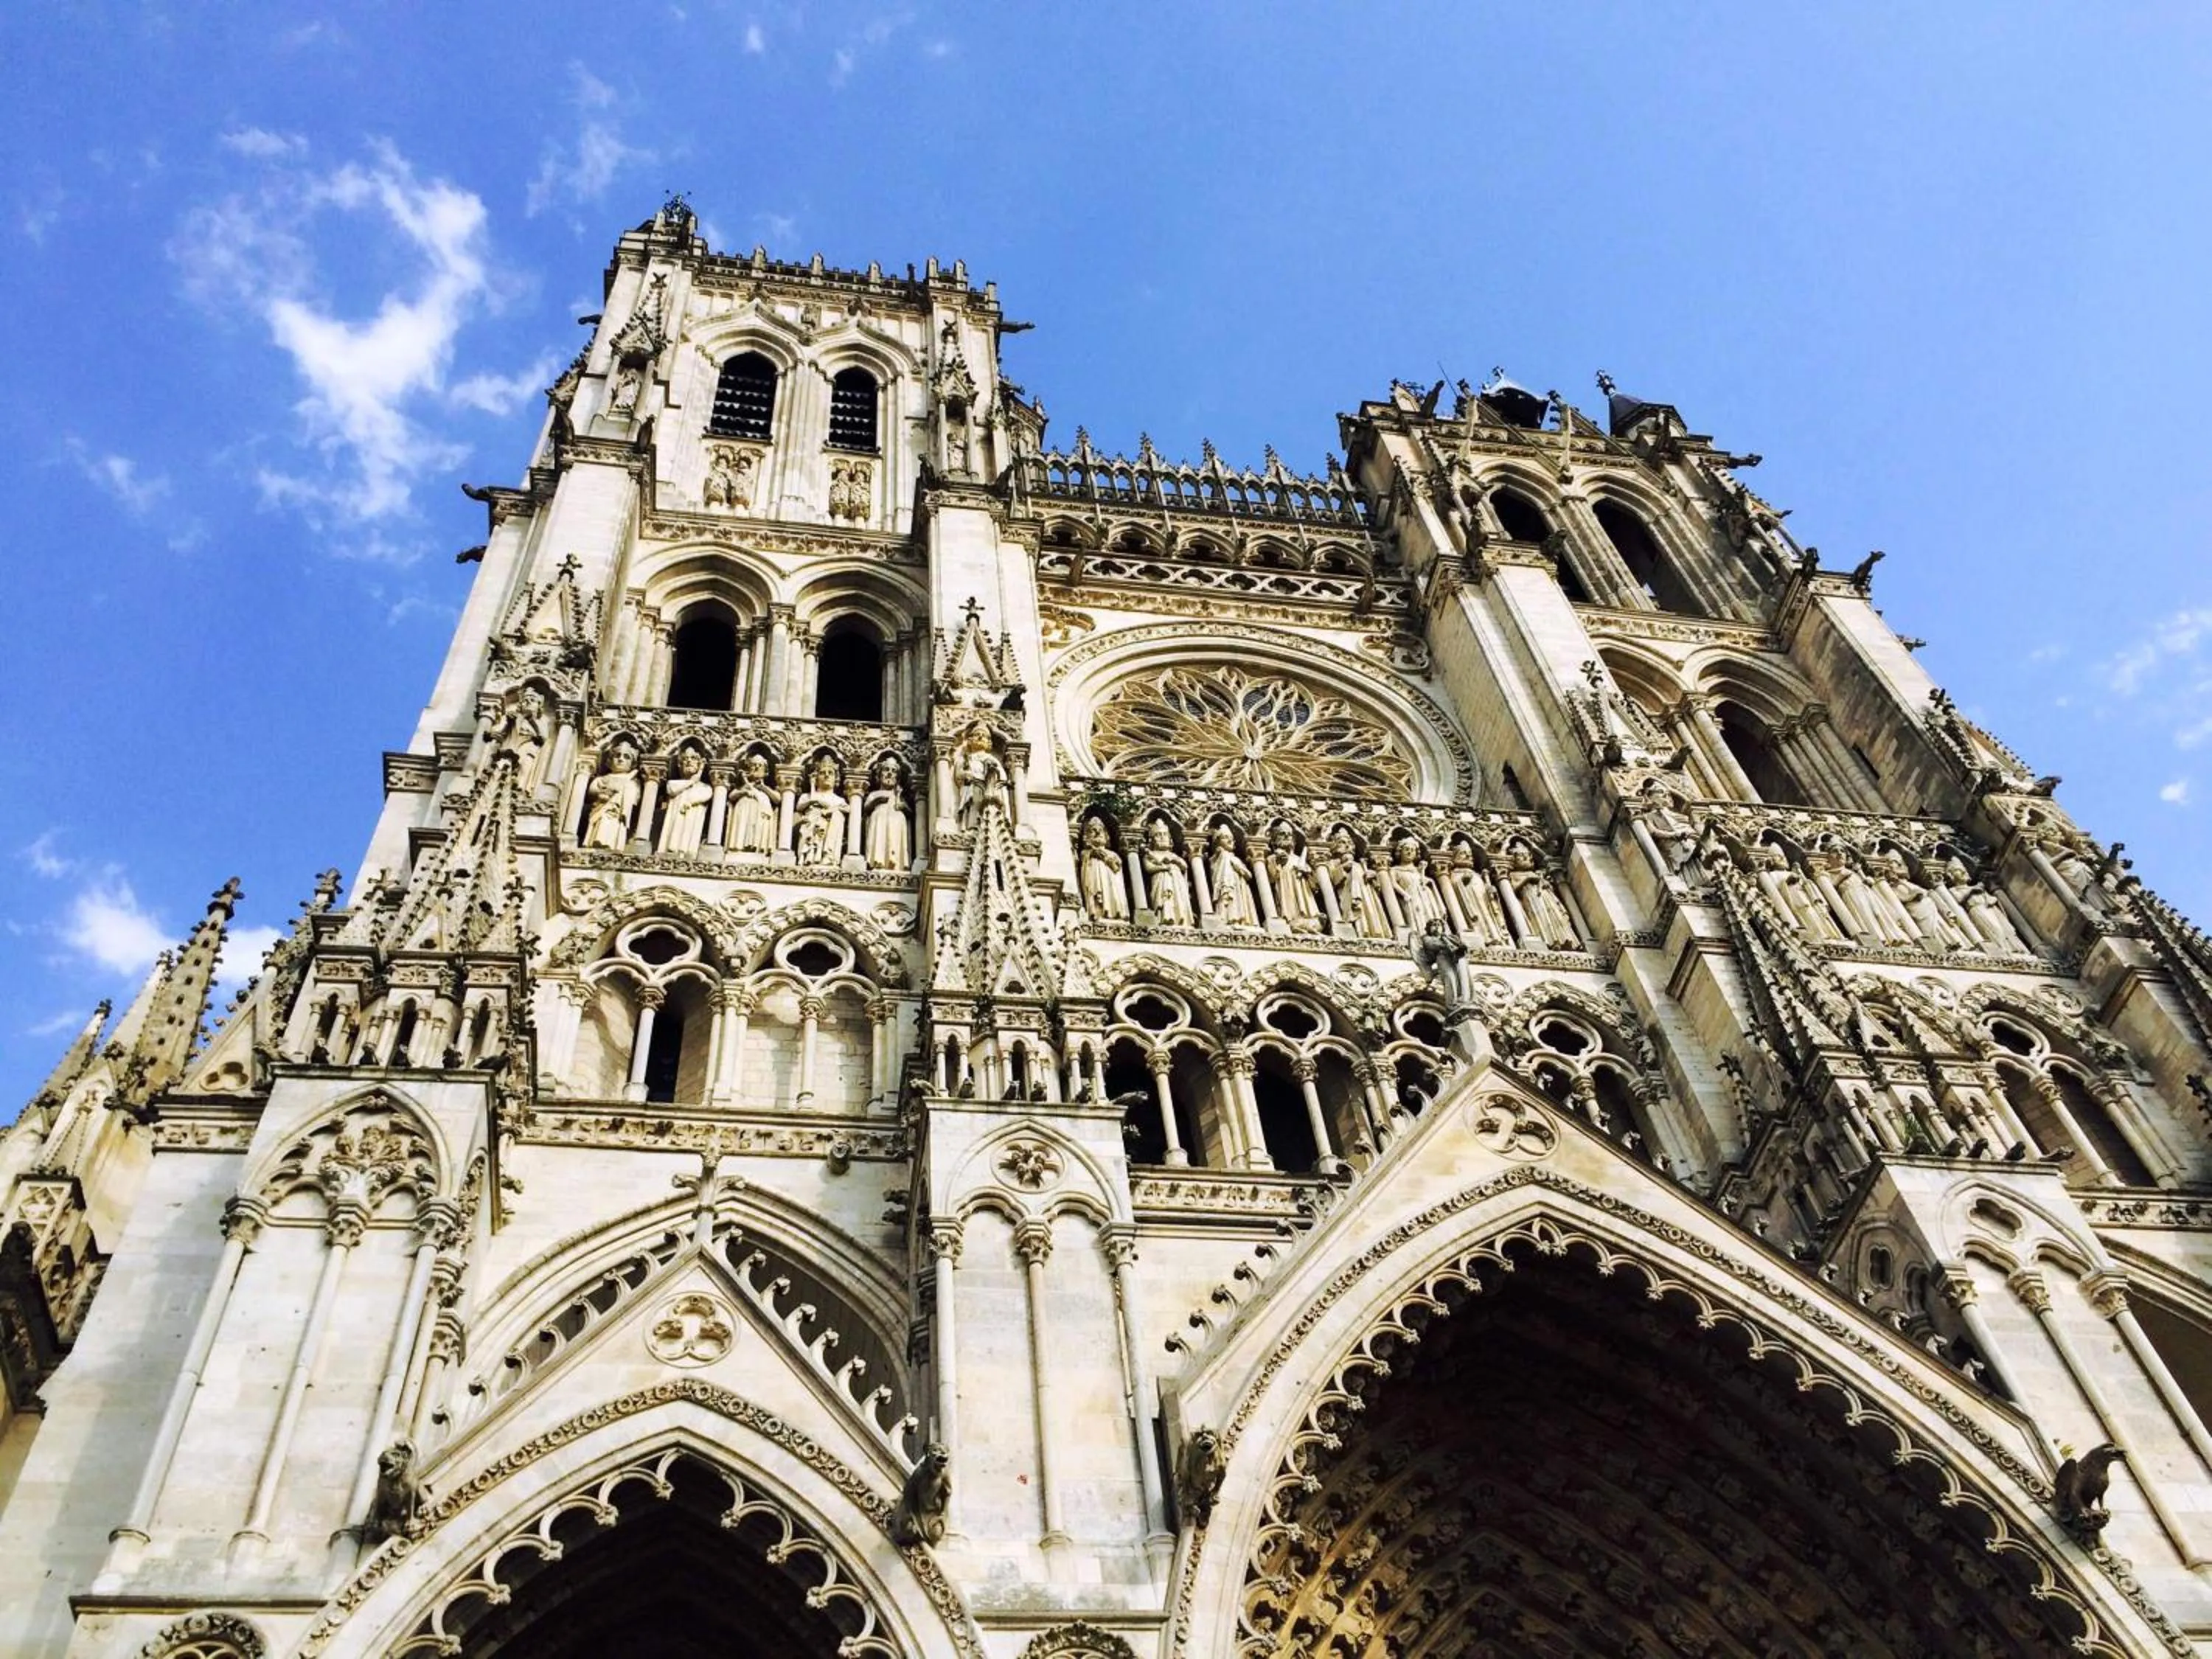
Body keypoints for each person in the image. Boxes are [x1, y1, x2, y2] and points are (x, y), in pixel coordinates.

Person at [582, 740, 642, 849]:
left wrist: (626, 788)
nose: (621, 759)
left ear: (632, 764)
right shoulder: (602, 779)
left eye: (626, 757)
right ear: (610, 760)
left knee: (613, 828)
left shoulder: (632, 782)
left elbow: (634, 800)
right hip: (601, 810)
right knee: (601, 825)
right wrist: (602, 793)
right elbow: (592, 791)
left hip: (616, 814)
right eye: (617, 756)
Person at [1266, 822, 1322, 934]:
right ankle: (1291, 922)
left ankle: (1308, 921)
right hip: (1286, 891)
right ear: (1275, 840)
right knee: (1289, 910)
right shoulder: (1272, 858)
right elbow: (1271, 878)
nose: (1287, 836)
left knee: (1310, 912)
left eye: (1289, 834)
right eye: (1282, 834)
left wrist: (1307, 873)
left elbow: (1315, 886)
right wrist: (1278, 863)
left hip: (1304, 894)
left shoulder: (1298, 859)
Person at [656, 746, 712, 855]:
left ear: (700, 764)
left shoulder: (705, 788)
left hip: (691, 827)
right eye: (685, 759)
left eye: (693, 758)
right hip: (674, 823)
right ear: (680, 765)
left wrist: (699, 774)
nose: (689, 761)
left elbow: (704, 795)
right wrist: (692, 781)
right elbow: (671, 789)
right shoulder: (674, 784)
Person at [955, 723, 1009, 829]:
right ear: (970, 741)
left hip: (990, 789)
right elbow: (959, 774)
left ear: (989, 743)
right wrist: (966, 774)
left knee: (989, 808)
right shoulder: (966, 759)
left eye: (984, 736)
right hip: (973, 786)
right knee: (974, 805)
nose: (980, 737)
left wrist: (993, 774)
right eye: (977, 735)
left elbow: (1002, 776)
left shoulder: (992, 759)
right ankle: (972, 827)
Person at [795, 755, 846, 865]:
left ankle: (828, 855)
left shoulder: (838, 799)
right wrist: (812, 796)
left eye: (830, 773)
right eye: (822, 773)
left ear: (836, 779)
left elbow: (848, 809)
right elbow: (799, 807)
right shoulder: (807, 796)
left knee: (837, 816)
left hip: (828, 829)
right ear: (816, 777)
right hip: (810, 825)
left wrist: (831, 809)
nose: (827, 776)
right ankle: (808, 855)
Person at [726, 751, 779, 857]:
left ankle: (758, 849)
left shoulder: (766, 790)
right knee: (743, 829)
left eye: (760, 765)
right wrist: (744, 791)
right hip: (744, 811)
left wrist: (763, 787)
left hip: (761, 814)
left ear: (765, 770)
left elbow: (777, 799)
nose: (757, 767)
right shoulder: (744, 786)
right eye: (754, 765)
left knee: (758, 830)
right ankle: (739, 848)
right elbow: (732, 796)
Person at [861, 758, 911, 870]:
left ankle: (895, 860)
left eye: (894, 771)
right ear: (880, 775)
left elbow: (909, 812)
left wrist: (900, 801)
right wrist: (876, 801)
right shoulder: (874, 794)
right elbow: (866, 809)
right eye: (886, 770)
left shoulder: (899, 796)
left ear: (897, 778)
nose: (890, 773)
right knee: (880, 817)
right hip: (879, 820)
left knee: (898, 818)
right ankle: (878, 859)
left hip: (896, 822)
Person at [1206, 824, 1260, 928]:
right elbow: (1215, 871)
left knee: (1239, 902)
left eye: (1231, 838)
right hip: (1227, 886)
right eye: (1225, 838)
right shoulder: (1217, 858)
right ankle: (1227, 920)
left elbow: (1249, 876)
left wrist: (1239, 868)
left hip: (1239, 886)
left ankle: (1242, 921)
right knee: (1228, 898)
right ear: (1218, 842)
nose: (1230, 841)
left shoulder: (1235, 859)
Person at [1142, 819, 1194, 924]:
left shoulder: (1173, 855)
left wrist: (1174, 860)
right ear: (1152, 840)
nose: (1162, 837)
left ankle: (1180, 919)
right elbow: (1149, 868)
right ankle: (1164, 919)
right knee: (1164, 899)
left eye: (1165, 834)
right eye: (1158, 835)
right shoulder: (1150, 855)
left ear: (1170, 839)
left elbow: (1185, 866)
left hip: (1176, 881)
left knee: (1178, 899)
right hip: (1160, 880)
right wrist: (1163, 868)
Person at [1079, 818, 1130, 921]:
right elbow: (1084, 861)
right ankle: (1097, 912)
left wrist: (1107, 859)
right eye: (1093, 831)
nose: (1098, 833)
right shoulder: (1086, 853)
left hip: (1110, 879)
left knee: (1112, 892)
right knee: (1097, 891)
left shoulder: (1113, 854)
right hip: (1095, 875)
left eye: (1100, 831)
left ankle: (1115, 912)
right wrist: (1094, 853)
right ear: (1087, 837)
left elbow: (1117, 867)